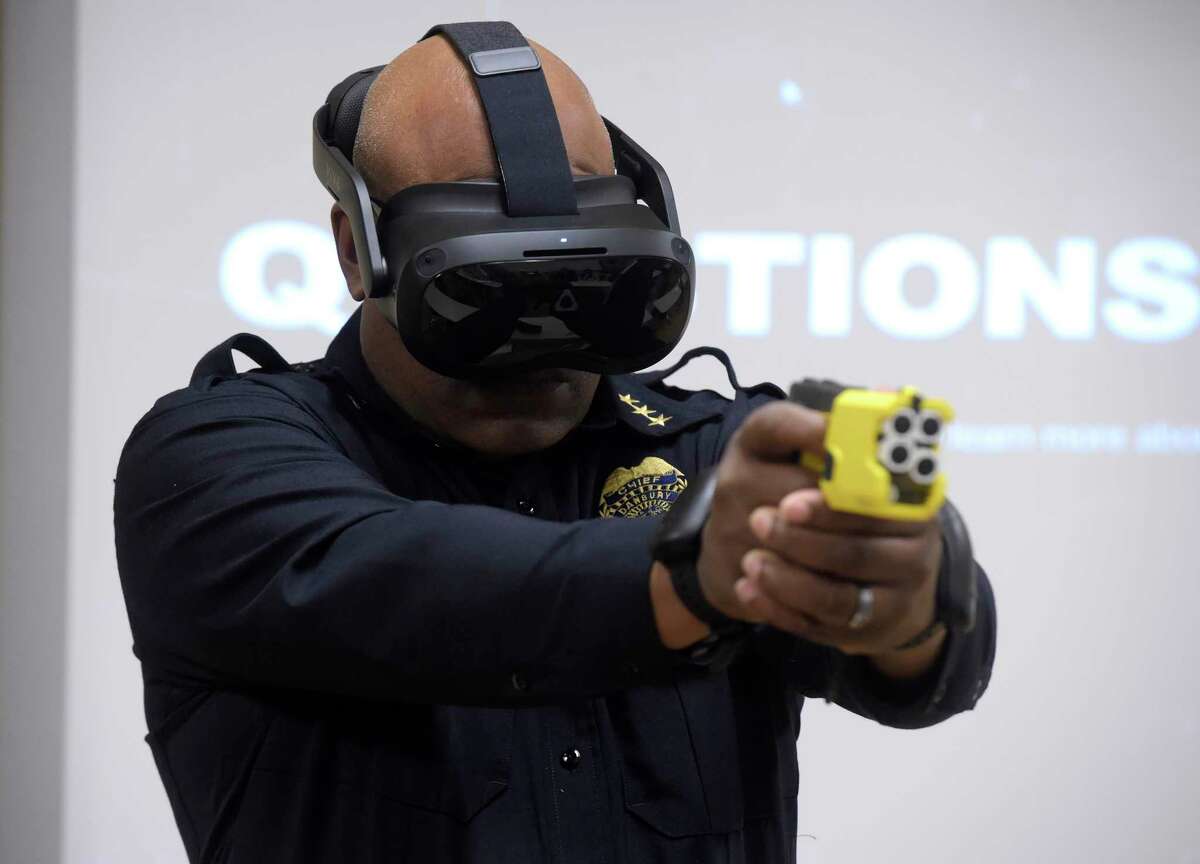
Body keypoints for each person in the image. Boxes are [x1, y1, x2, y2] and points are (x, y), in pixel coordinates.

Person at [114, 28, 996, 864]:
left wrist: (900, 591)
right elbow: (404, 585)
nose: (542, 337)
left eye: (582, 283)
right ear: (359, 250)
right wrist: (689, 575)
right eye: (488, 287)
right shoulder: (215, 464)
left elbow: (928, 669)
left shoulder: (717, 455)